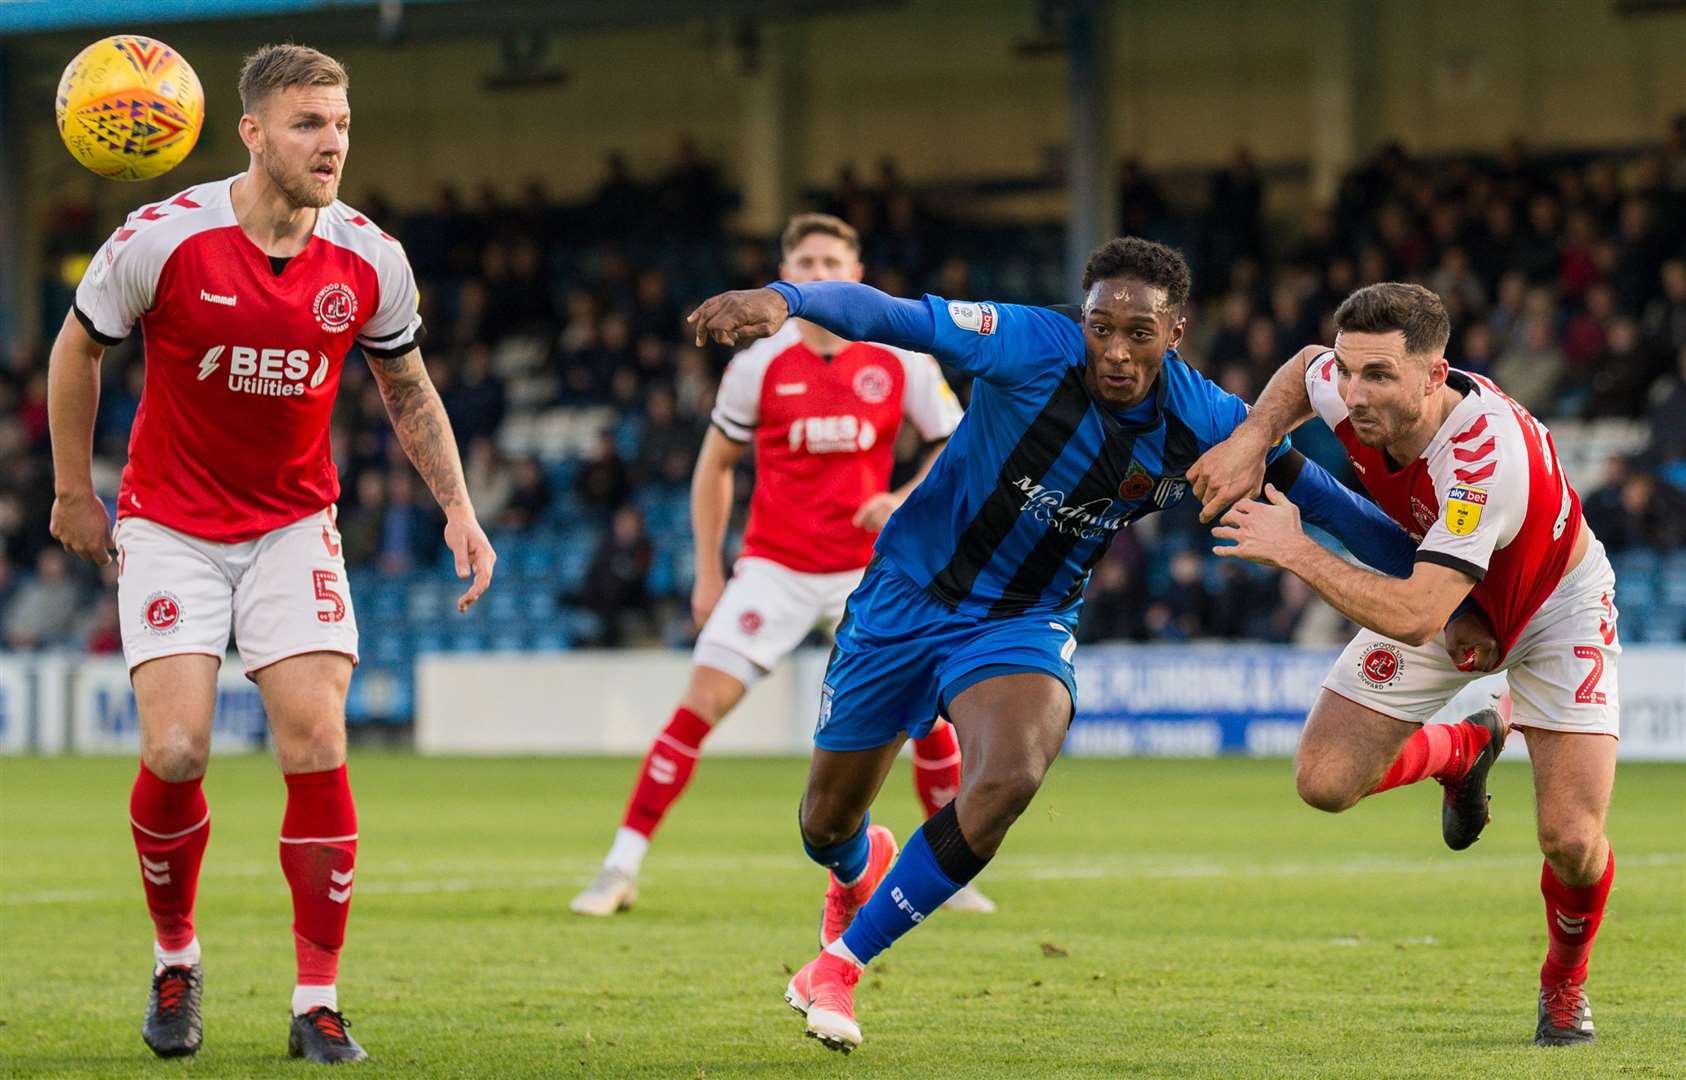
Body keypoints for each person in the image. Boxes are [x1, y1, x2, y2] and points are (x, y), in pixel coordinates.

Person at [686, 238, 1445, 1053]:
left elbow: (1333, 505)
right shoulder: (1026, 344)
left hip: (1023, 619)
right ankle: (853, 864)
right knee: (823, 823)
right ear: (1080, 320)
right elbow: (894, 317)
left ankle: (838, 966)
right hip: (905, 598)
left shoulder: (1208, 422)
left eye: (1139, 334)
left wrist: (1449, 568)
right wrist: (788, 299)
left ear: (1176, 333)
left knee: (1009, 775)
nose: (1115, 351)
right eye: (1100, 328)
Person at [48, 44, 496, 1065]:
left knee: (318, 743)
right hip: (169, 524)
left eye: (339, 124)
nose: (330, 142)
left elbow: (409, 387)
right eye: (307, 124)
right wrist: (74, 489)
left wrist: (458, 509)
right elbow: (77, 349)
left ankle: (317, 1001)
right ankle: (176, 960)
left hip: (295, 525)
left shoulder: (371, 258)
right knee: (175, 752)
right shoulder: (160, 240)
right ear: (251, 132)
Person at [1190, 282, 1619, 1048]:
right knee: (1323, 781)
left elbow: (1419, 614)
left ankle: (1564, 984)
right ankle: (1463, 749)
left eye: (1379, 375)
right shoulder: (1346, 384)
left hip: (1555, 605)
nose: (1354, 393)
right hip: (1443, 581)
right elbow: (1303, 367)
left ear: (1434, 375)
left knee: (1572, 841)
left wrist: (1295, 550)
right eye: (1351, 372)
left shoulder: (1482, 456)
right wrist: (1254, 438)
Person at [570, 214, 994, 917]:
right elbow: (714, 467)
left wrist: (901, 498)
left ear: (856, 275)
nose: (819, 272)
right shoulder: (756, 364)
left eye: (832, 261)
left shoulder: (901, 357)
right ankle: (620, 866)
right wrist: (709, 571)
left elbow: (959, 447)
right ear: (783, 274)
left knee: (929, 718)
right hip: (777, 566)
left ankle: (948, 876)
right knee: (697, 709)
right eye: (805, 260)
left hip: (875, 570)